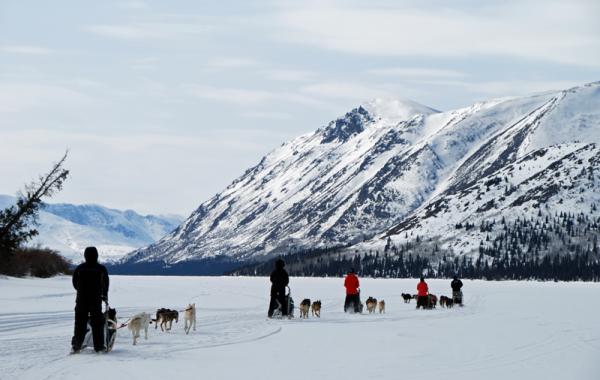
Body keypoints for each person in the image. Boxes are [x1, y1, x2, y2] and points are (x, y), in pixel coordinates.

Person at [71, 246, 109, 353]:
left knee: (79, 324)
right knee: (97, 324)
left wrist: (81, 292)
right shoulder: (101, 269)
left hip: (81, 300)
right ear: (96, 255)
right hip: (95, 300)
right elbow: (105, 285)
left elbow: (75, 284)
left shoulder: (80, 268)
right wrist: (104, 296)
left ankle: (76, 346)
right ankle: (99, 346)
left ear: (85, 255)